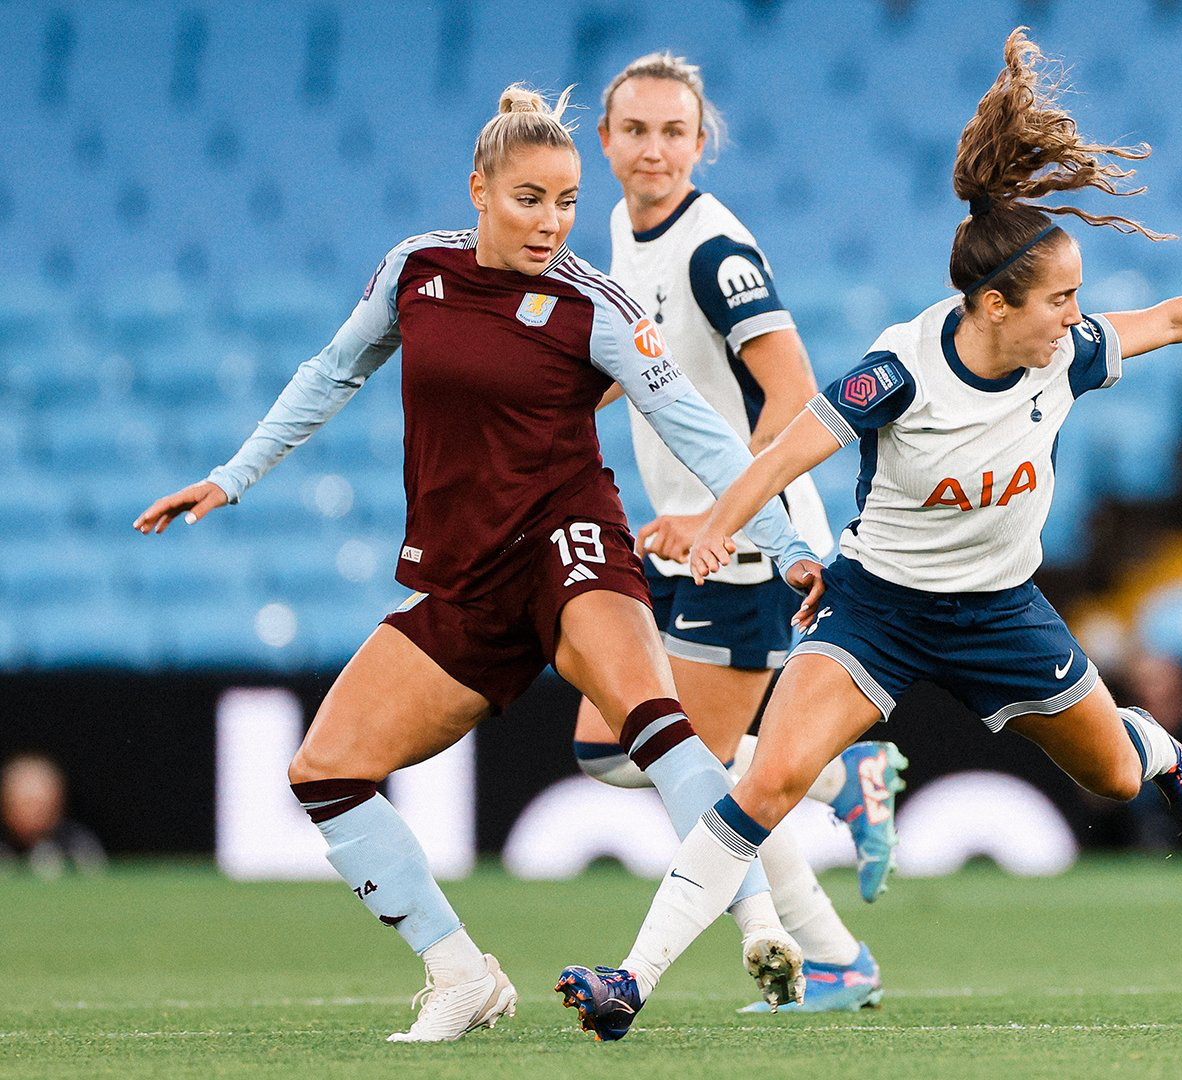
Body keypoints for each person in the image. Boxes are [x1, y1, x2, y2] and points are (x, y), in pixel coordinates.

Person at [556, 27, 1182, 1040]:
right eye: (1060, 300)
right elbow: (781, 452)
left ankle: (1153, 741)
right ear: (993, 305)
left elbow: (1169, 319)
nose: (1077, 318)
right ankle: (629, 981)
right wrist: (721, 528)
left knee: (1113, 778)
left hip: (1002, 615)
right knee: (765, 779)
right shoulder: (898, 371)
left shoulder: (1061, 357)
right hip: (878, 612)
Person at [134, 83, 826, 1042]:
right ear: (479, 189)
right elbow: (332, 372)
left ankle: (754, 918)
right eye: (529, 199)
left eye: (569, 201)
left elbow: (705, 434)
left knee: (652, 722)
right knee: (325, 771)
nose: (552, 223)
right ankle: (462, 975)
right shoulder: (415, 271)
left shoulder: (597, 307)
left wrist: (785, 541)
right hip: (464, 571)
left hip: (566, 539)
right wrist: (232, 476)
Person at [568, 52, 903, 1013]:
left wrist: (719, 516)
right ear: (606, 141)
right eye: (636, 130)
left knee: (669, 765)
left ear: (701, 140)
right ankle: (844, 783)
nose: (655, 149)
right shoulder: (623, 237)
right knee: (625, 747)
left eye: (675, 132)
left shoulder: (716, 251)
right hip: (693, 538)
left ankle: (831, 935)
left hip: (750, 544)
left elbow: (797, 395)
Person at [0, 753, 106, 877]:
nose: (35, 813)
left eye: (42, 805)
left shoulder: (77, 846)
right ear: (6, 805)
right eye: (26, 804)